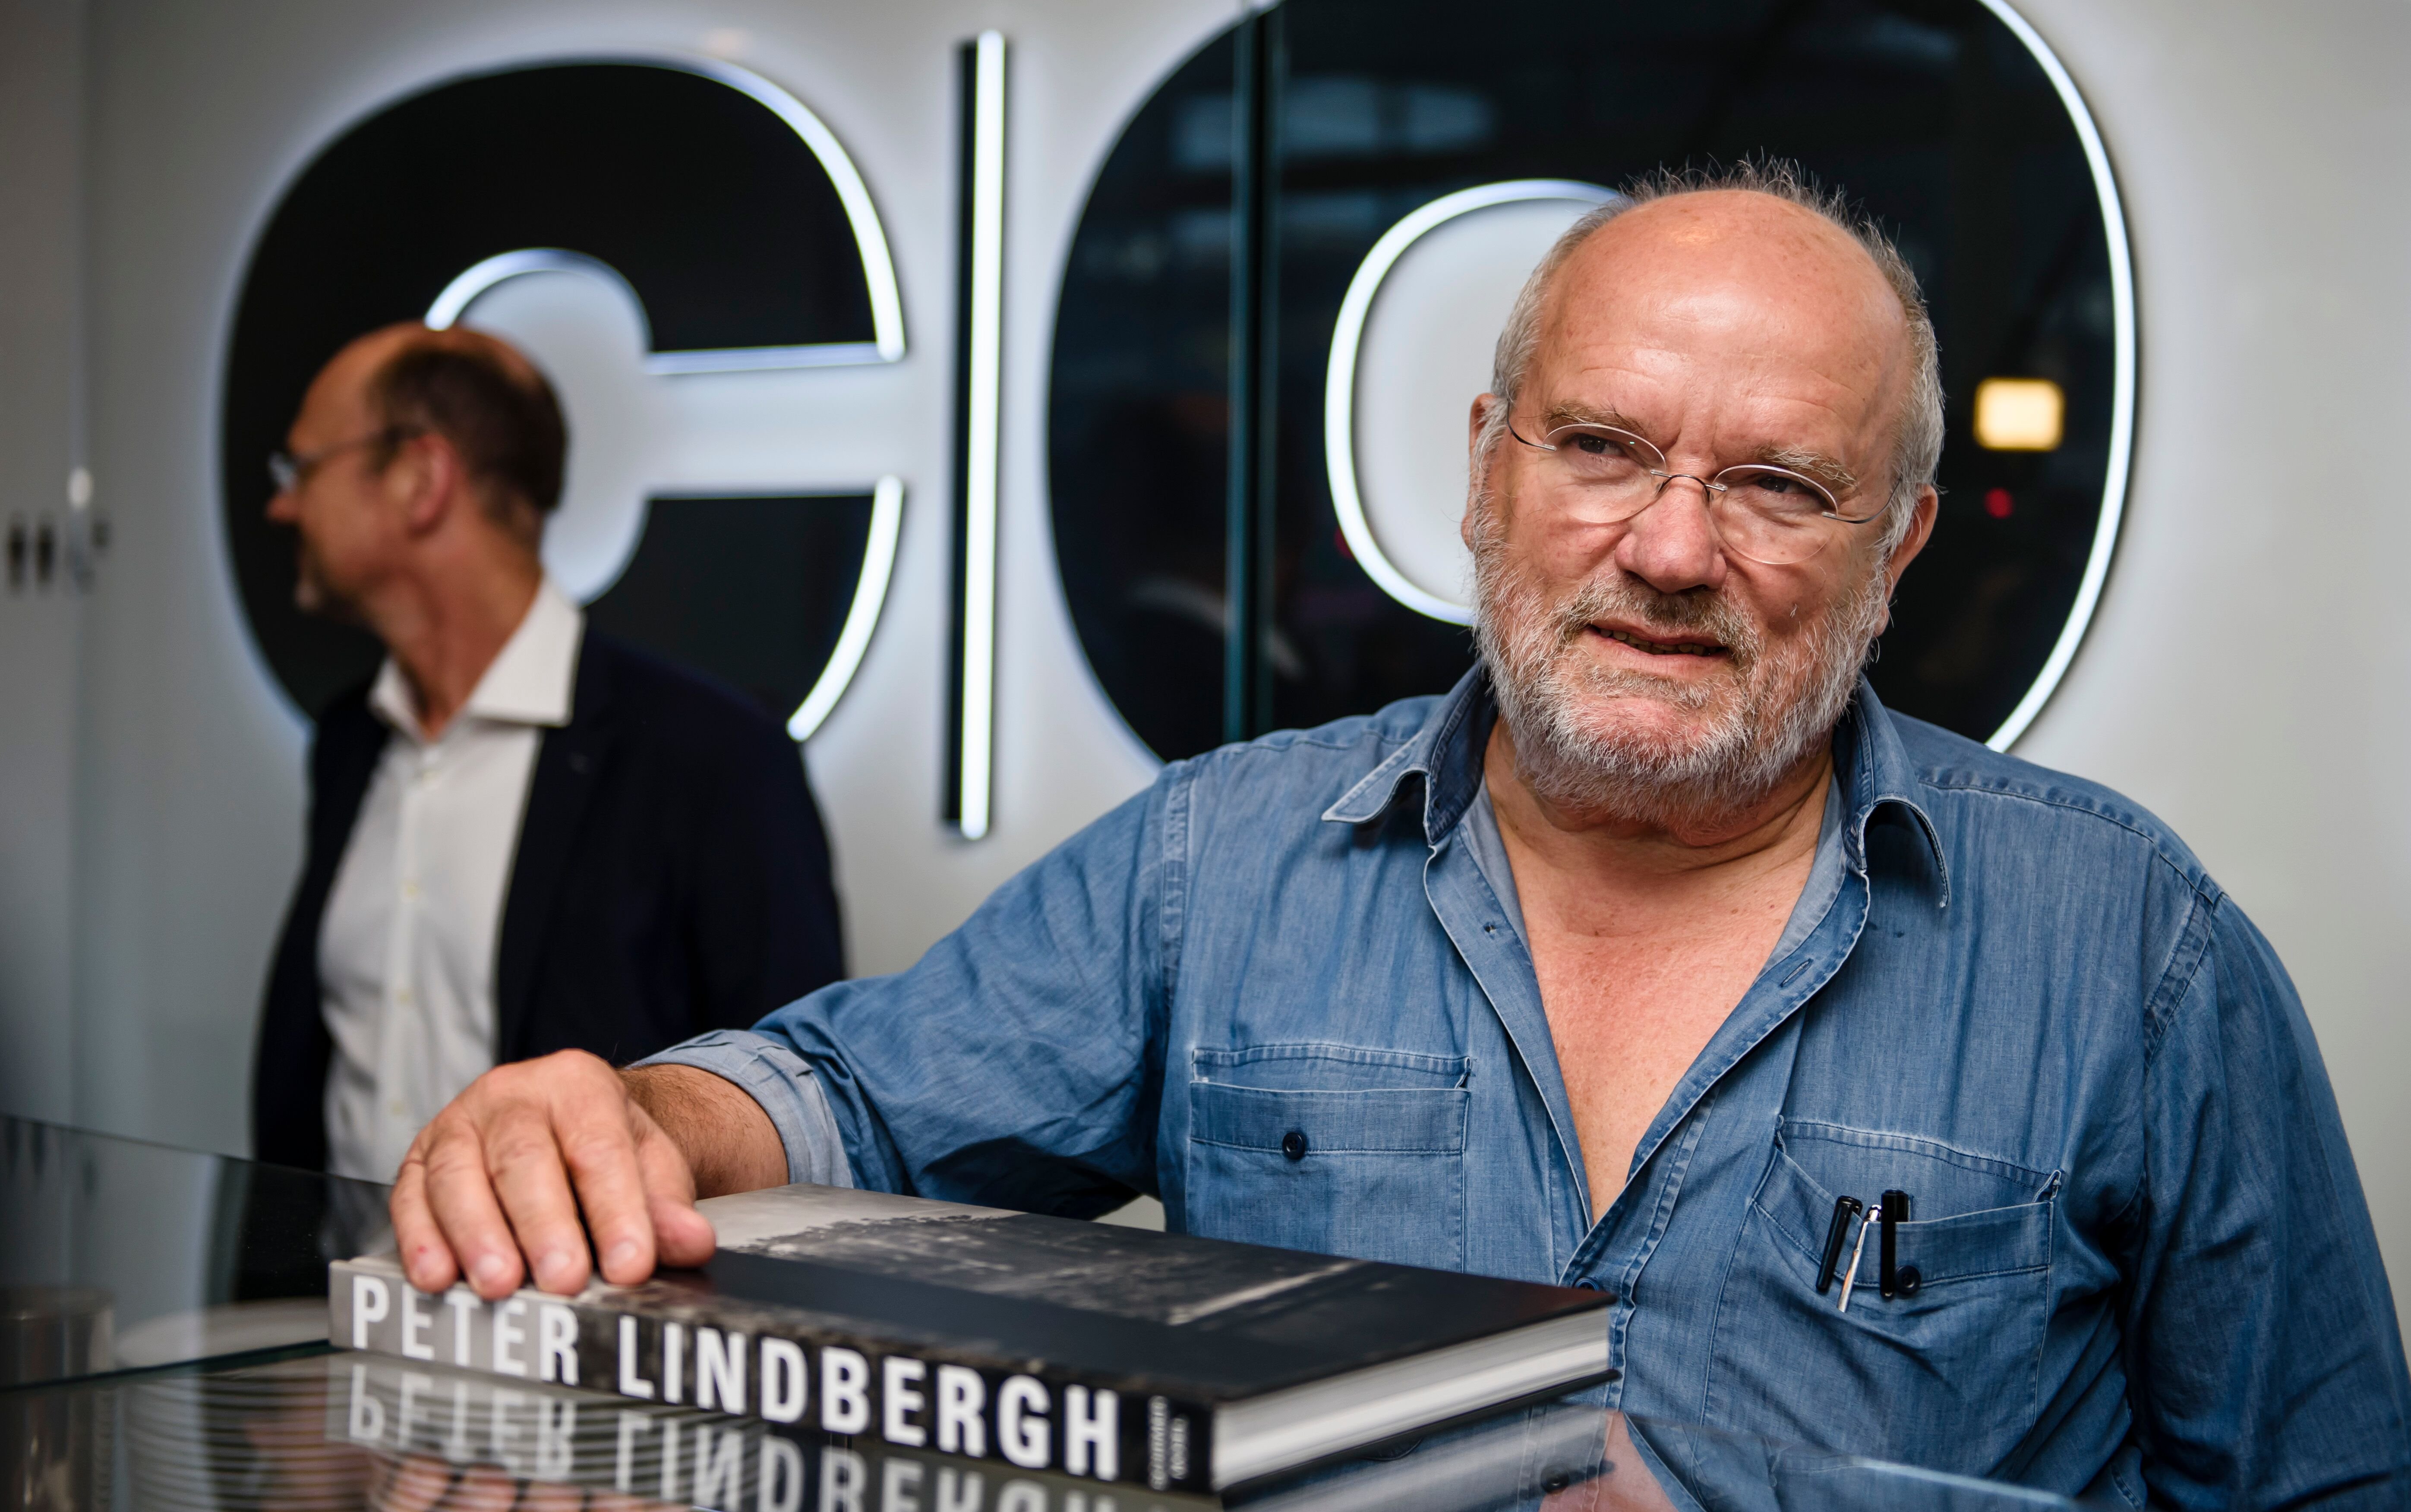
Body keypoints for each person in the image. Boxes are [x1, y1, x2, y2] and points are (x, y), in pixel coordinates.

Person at [384, 170, 2411, 1506]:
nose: (1672, 548)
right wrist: (634, 1114)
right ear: (1485, 466)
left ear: (1892, 544)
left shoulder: (2131, 949)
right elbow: (848, 1096)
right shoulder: (1225, 864)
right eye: (1604, 445)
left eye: (1778, 484)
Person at [251, 324, 846, 1181]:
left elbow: (793, 1104)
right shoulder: (349, 741)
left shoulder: (712, 754)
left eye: (302, 469)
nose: (283, 504)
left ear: (421, 479)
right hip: (336, 1309)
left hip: (589, 1312)